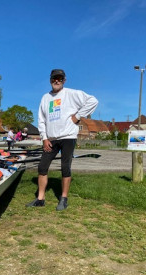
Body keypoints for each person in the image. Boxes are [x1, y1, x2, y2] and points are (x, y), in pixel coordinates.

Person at [26, 69, 98, 211]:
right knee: (42, 167)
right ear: (50, 80)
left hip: (68, 137)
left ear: (64, 80)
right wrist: (44, 138)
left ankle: (63, 198)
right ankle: (40, 198)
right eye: (54, 78)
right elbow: (41, 120)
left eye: (59, 78)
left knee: (65, 167)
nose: (56, 81)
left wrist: (78, 116)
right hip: (51, 139)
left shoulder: (72, 94)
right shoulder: (45, 98)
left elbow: (93, 101)